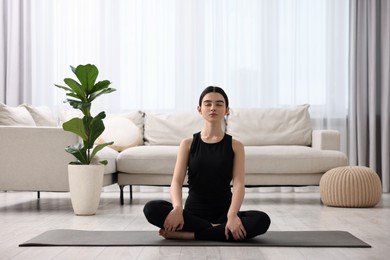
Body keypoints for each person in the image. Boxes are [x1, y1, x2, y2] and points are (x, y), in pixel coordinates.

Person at [143, 86, 271, 241]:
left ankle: (191, 235)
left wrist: (232, 215)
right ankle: (217, 230)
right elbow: (176, 182)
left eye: (219, 104)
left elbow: (238, 184)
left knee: (262, 220)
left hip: (225, 214)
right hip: (191, 215)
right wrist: (177, 209)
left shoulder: (236, 146)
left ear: (227, 110)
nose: (213, 108)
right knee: (151, 208)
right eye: (208, 103)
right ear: (199, 109)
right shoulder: (187, 144)